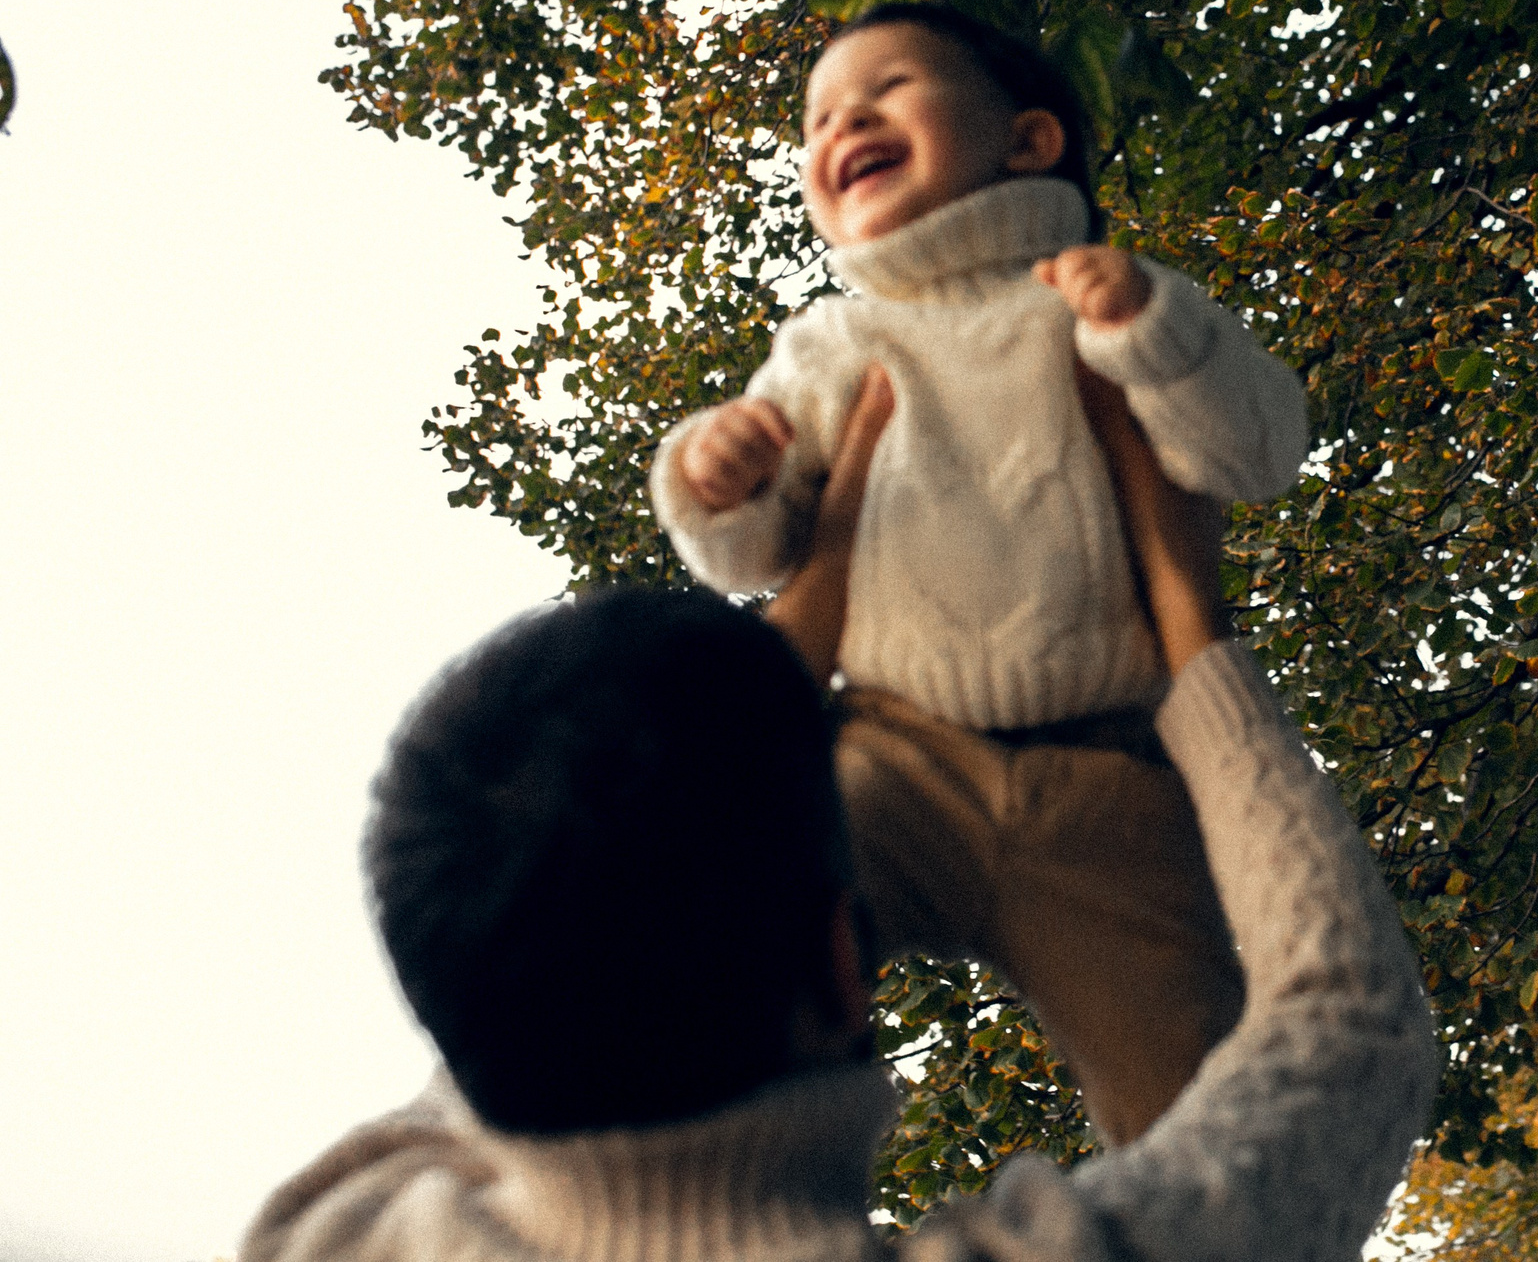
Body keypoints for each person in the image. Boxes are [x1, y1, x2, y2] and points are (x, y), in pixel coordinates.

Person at [240, 371, 1437, 1262]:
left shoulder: (347, 1230)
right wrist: (1190, 623)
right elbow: (1348, 1027)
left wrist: (828, 567)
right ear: (842, 959)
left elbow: (560, 941)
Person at [647, 2, 1307, 1143]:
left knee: (1199, 1115)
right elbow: (750, 558)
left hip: (1113, 783)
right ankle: (717, 1174)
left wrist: (1150, 330)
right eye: (816, 118)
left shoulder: (1107, 299)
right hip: (894, 754)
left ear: (1029, 142)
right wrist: (720, 476)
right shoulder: (833, 344)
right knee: (734, 935)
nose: (841, 121)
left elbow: (1256, 450)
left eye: (885, 88)